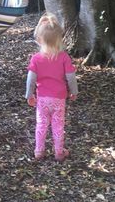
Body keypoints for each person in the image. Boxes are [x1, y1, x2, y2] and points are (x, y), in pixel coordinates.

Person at [25, 13, 78, 162]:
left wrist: (29, 95)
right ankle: (59, 152)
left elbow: (31, 79)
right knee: (58, 125)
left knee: (41, 123)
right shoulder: (63, 57)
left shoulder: (36, 58)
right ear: (59, 39)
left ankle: (39, 151)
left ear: (39, 39)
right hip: (59, 98)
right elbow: (71, 77)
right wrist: (74, 92)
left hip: (42, 98)